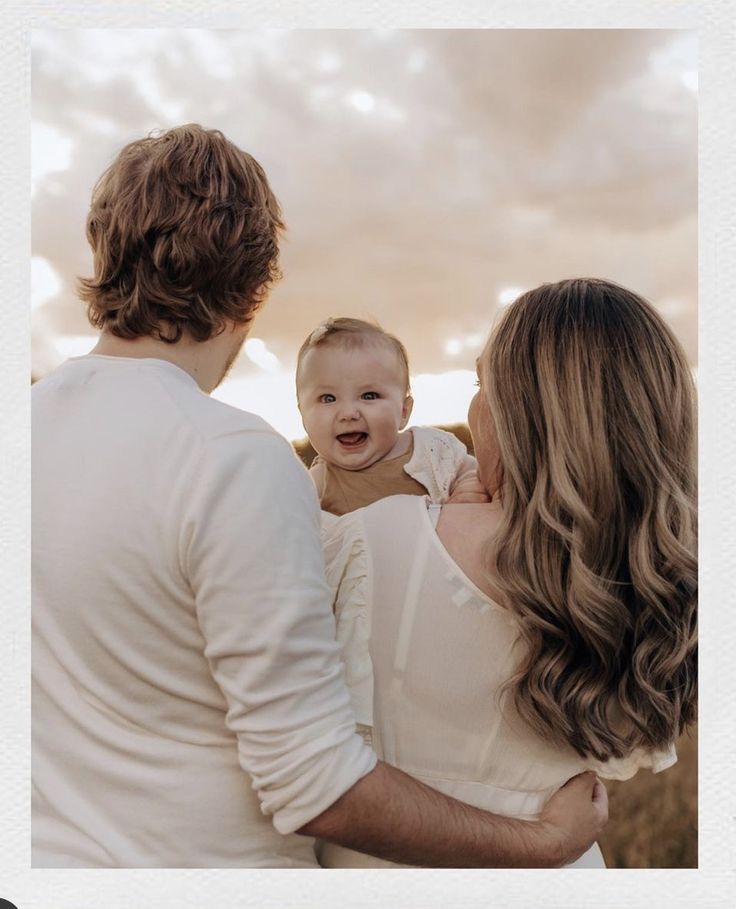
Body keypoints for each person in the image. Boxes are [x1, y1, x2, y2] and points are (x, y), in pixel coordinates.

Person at [31, 124, 607, 868]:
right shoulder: (232, 458)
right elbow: (313, 782)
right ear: (255, 284)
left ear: (103, 248)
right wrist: (539, 842)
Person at [319, 278, 697, 868]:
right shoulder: (657, 574)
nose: (473, 410)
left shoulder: (372, 538)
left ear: (519, 409)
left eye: (481, 384)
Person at [296, 317, 486, 515]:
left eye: (369, 396)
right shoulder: (317, 483)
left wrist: (467, 488)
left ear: (404, 411)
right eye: (328, 398)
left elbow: (475, 473)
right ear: (303, 415)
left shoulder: (433, 449)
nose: (348, 413)